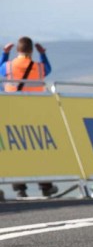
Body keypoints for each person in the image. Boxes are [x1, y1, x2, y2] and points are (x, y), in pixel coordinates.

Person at [1, 37, 56, 198]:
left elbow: (0, 69)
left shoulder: (9, 66)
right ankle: (45, 186)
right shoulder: (39, 67)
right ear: (31, 50)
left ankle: (20, 188)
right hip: (34, 112)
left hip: (13, 112)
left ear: (17, 50)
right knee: (38, 148)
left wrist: (4, 54)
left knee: (16, 150)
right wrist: (43, 54)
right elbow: (48, 69)